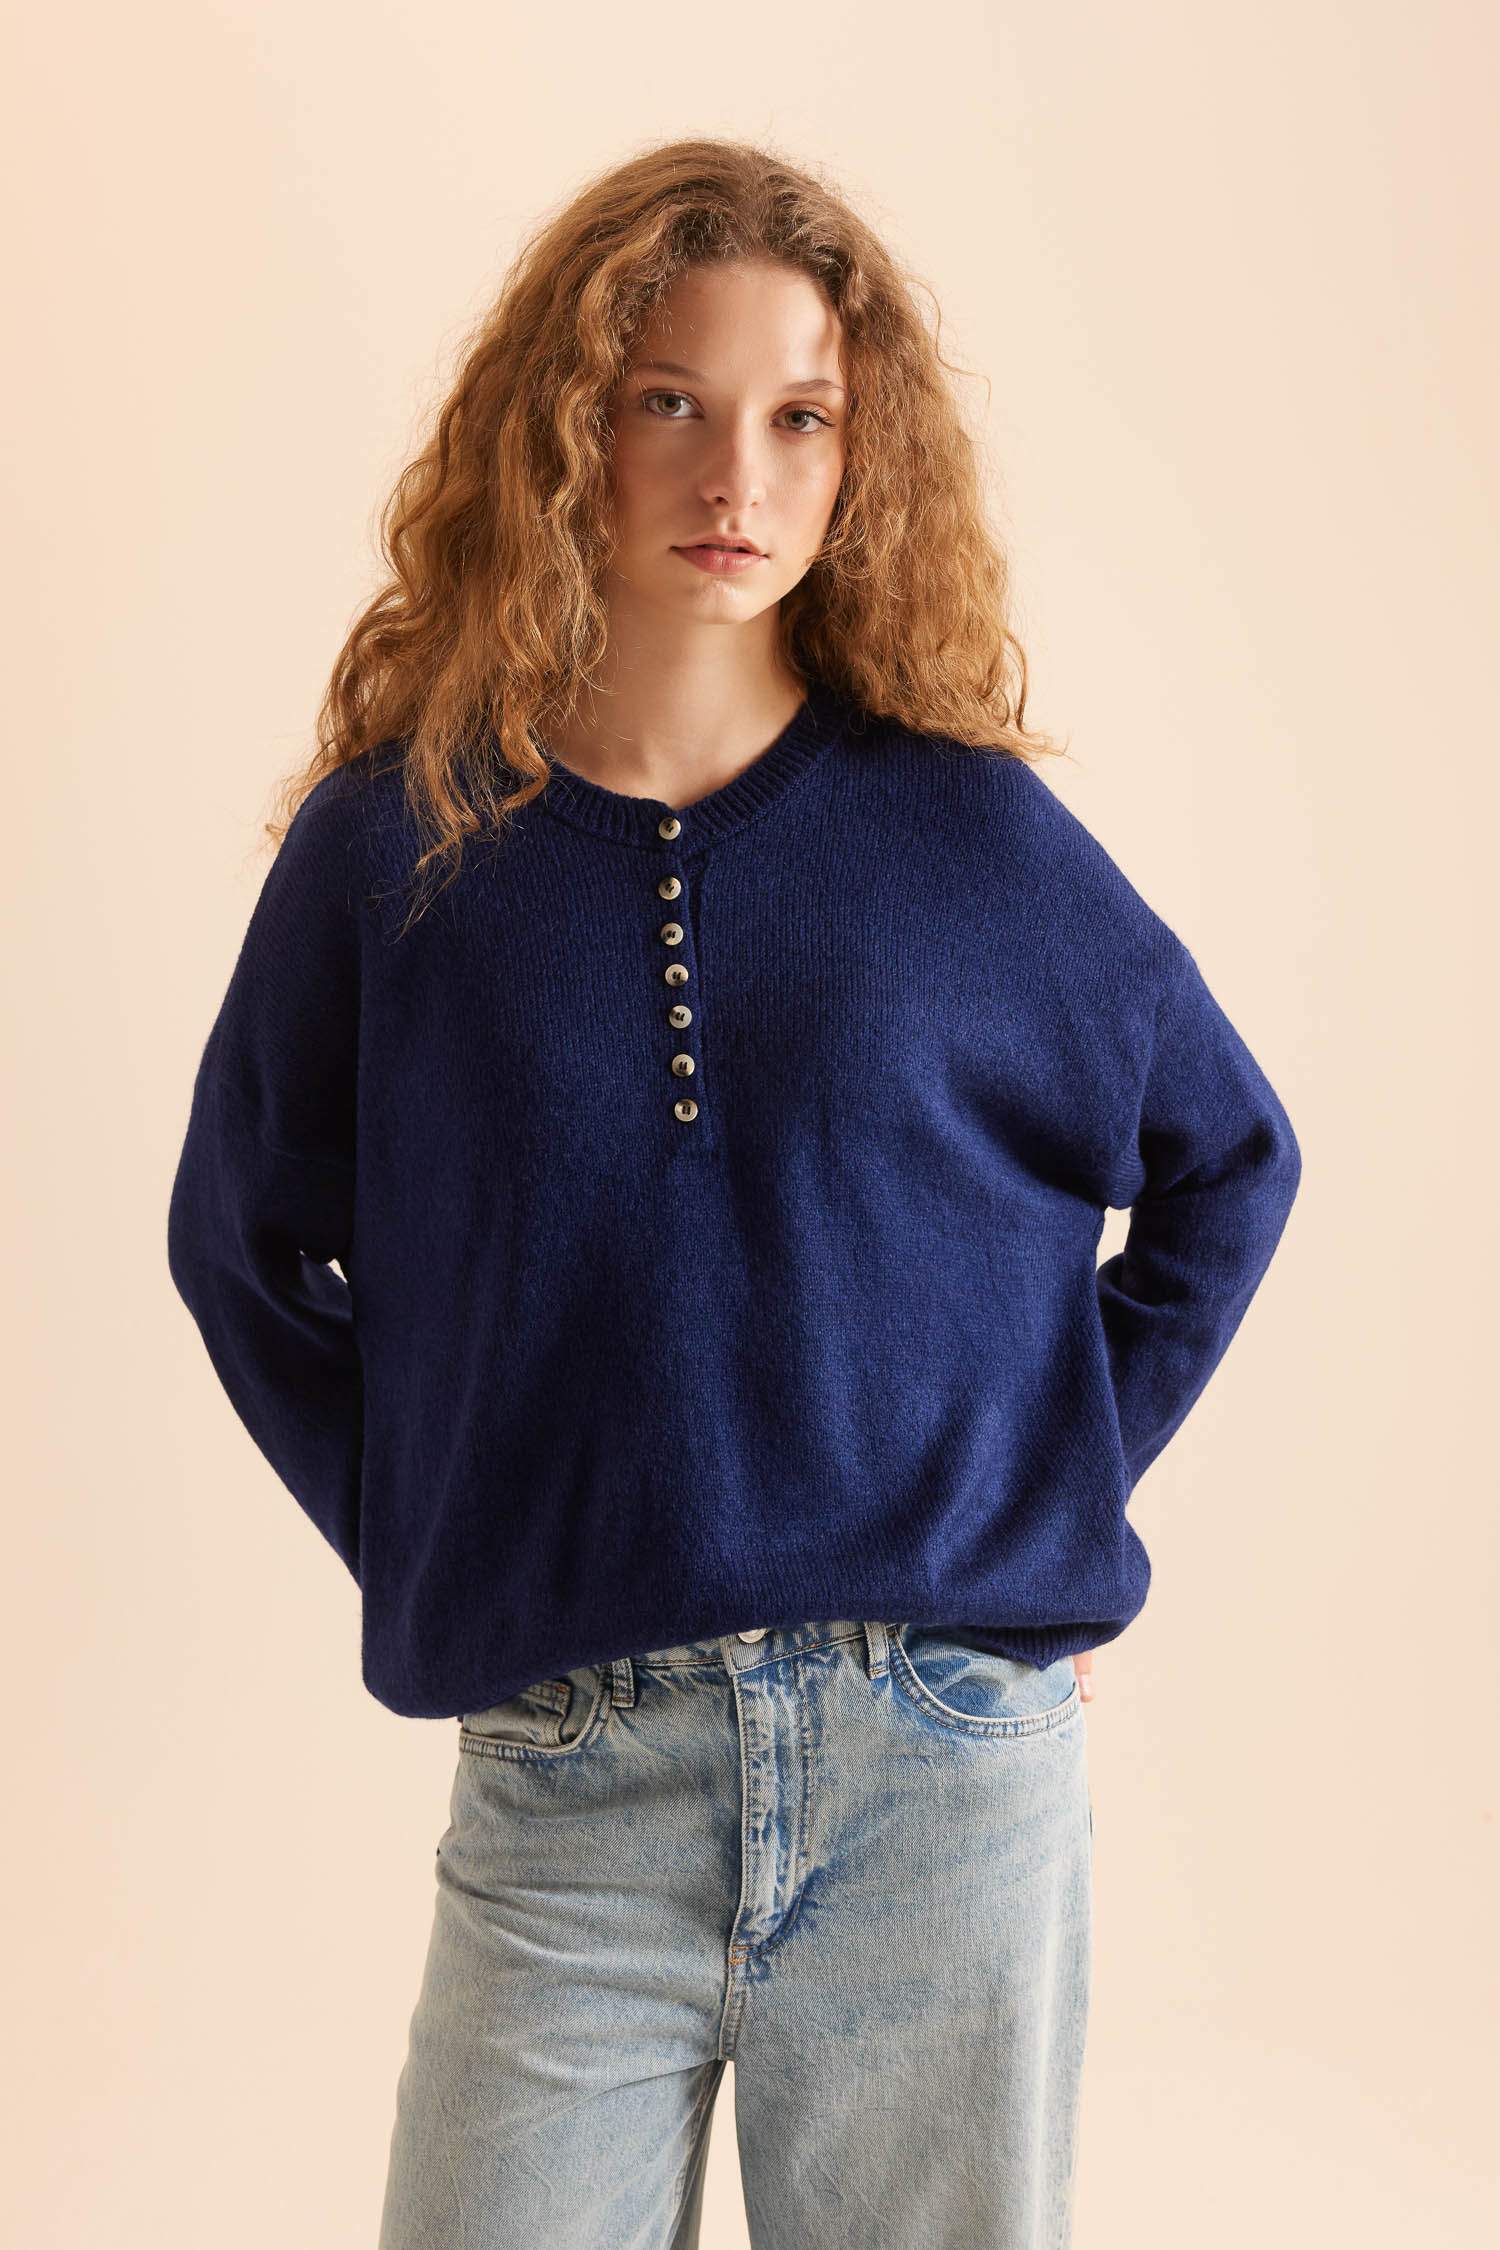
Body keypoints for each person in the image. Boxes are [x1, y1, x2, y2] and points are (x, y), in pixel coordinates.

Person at [165, 136, 1302, 2249]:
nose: (735, 476)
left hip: (938, 1764)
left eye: (801, 418)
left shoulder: (970, 837)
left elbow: (1230, 1160)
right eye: (669, 402)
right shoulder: (397, 846)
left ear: (863, 460)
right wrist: (444, 1526)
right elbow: (240, 1242)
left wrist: (1037, 1501)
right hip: (568, 1772)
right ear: (566, 427)